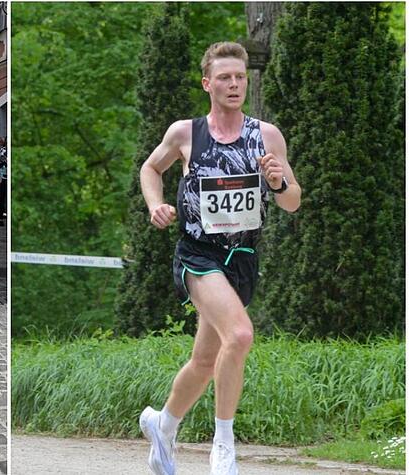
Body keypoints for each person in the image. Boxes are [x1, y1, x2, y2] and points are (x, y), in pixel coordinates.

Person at [137, 42, 301, 475]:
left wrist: (279, 181)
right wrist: (155, 204)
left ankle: (162, 425)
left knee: (206, 360)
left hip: (242, 259)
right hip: (198, 255)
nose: (234, 84)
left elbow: (293, 202)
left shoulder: (266, 135)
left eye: (240, 77)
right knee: (241, 335)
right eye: (224, 78)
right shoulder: (185, 133)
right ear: (207, 84)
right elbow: (151, 169)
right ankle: (223, 443)